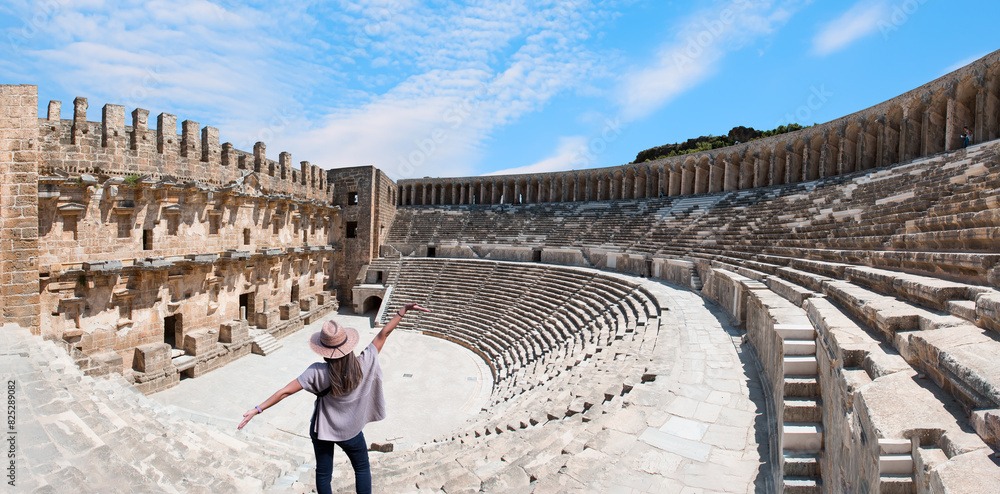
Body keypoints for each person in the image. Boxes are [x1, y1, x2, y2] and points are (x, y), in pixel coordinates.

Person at [238, 302, 431, 494]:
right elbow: (383, 334)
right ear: (348, 345)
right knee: (362, 469)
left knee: (323, 474)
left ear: (323, 351)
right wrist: (402, 311)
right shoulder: (363, 362)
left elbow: (284, 392)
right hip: (352, 430)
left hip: (323, 430)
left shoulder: (316, 372)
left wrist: (257, 409)